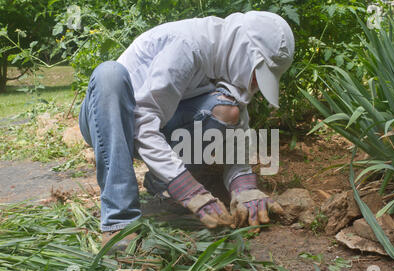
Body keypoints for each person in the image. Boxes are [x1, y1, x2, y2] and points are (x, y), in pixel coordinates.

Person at [78, 11, 295, 250]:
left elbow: (236, 127)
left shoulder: (230, 62)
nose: (255, 84)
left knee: (227, 109)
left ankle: (162, 184)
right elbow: (143, 122)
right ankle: (120, 221)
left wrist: (244, 185)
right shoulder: (188, 46)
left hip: (159, 125)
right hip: (109, 122)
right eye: (257, 75)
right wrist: (188, 189)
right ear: (247, 51)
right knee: (109, 74)